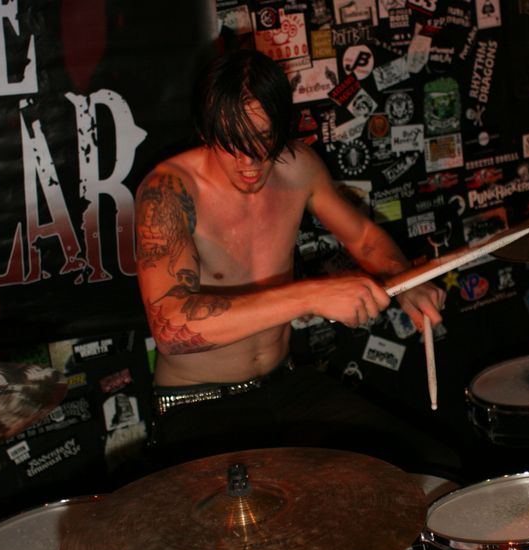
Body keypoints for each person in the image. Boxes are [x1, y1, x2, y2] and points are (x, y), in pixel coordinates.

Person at [135, 49, 462, 479]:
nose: (250, 162)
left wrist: (404, 280)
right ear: (205, 129)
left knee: (428, 470)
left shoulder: (299, 167)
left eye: (263, 138)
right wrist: (310, 296)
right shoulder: (168, 190)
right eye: (232, 142)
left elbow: (363, 238)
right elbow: (170, 328)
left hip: (284, 383)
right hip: (199, 403)